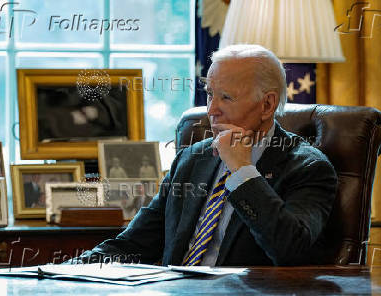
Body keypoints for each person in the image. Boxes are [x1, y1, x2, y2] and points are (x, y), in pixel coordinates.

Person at [70, 45, 337, 266]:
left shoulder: (308, 168)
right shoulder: (192, 159)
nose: (212, 110)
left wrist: (242, 170)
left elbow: (290, 251)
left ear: (267, 104)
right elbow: (133, 243)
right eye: (210, 94)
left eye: (226, 98)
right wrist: (59, 274)